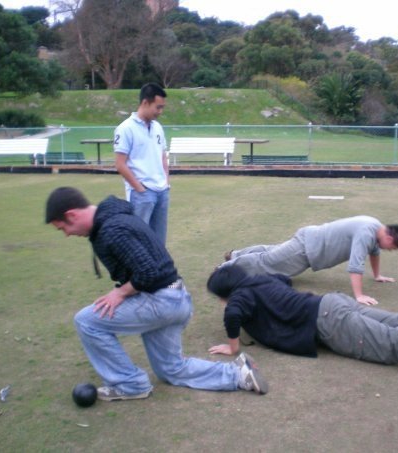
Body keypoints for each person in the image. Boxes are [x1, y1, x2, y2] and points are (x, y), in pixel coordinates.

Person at [45, 187, 267, 401]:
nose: (66, 235)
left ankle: (130, 386)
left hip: (161, 302)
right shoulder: (113, 219)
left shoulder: (112, 230)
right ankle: (239, 374)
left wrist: (120, 292)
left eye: (62, 228)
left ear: (71, 215)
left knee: (86, 321)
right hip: (176, 298)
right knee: (171, 369)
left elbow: (148, 272)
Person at [207, 265, 398, 380]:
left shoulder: (240, 297)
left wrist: (233, 347)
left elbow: (233, 314)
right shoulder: (259, 278)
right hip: (332, 303)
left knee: (389, 341)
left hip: (329, 321)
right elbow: (284, 280)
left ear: (225, 292)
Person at [223, 215, 398, 305]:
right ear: (389, 238)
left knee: (271, 253)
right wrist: (359, 295)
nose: (390, 251)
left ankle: (235, 255)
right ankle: (227, 268)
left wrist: (377, 275)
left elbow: (375, 253)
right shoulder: (366, 233)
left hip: (309, 241)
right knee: (268, 263)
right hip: (306, 249)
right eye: (393, 248)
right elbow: (356, 266)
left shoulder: (375, 226)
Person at [114, 83, 170, 245]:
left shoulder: (157, 127)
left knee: (159, 244)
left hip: (162, 191)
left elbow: (162, 156)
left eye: (162, 108)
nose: (160, 112)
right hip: (142, 193)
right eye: (158, 107)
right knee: (138, 242)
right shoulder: (125, 129)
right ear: (145, 103)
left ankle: (159, 271)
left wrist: (166, 182)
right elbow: (120, 164)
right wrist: (139, 188)